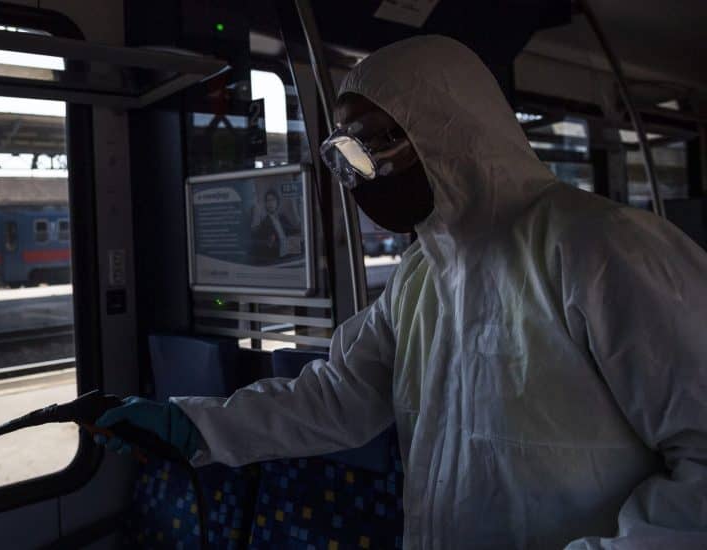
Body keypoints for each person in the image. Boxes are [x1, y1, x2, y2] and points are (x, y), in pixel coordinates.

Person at [94, 35, 707, 548]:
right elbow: (337, 398)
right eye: (348, 151)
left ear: (452, 133)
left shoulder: (599, 248)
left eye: (377, 143)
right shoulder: (421, 277)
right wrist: (194, 426)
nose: (362, 173)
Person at [250, 188, 299, 262]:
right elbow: (263, 244)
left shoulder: (282, 217)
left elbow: (293, 232)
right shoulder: (264, 223)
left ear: (277, 202)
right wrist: (269, 243)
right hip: (278, 258)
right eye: (268, 200)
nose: (270, 203)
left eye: (273, 200)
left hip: (290, 254)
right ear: (266, 204)